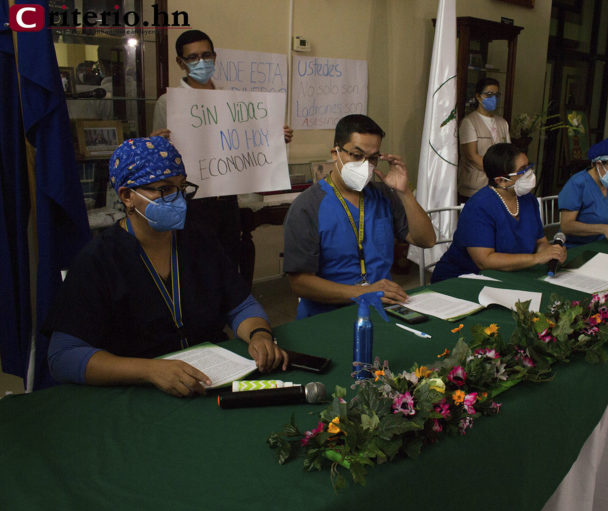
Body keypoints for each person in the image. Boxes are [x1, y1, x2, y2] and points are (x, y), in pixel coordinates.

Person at [44, 137, 288, 397]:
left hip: (209, 378)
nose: (179, 199)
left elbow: (241, 305)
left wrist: (259, 334)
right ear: (127, 196)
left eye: (182, 187)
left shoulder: (199, 241)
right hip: (138, 392)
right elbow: (63, 357)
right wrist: (149, 370)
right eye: (165, 190)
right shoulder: (99, 260)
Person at [150, 30, 294, 281]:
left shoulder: (232, 99)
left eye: (206, 55)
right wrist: (156, 144)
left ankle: (233, 315)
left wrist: (274, 138)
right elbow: (161, 159)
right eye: (193, 57)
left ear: (215, 57)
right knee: (195, 268)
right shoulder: (168, 103)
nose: (201, 62)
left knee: (228, 263)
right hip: (191, 202)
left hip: (227, 200)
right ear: (180, 62)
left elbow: (247, 144)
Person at [283, 114, 436, 319]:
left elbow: (426, 240)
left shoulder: (384, 195)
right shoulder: (308, 206)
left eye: (372, 158)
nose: (365, 165)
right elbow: (299, 282)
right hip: (329, 315)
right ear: (335, 153)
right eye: (356, 155)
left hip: (382, 308)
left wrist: (404, 192)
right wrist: (362, 292)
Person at [431, 143, 566, 283]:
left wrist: (550, 251)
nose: (530, 174)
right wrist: (536, 259)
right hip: (463, 280)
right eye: (522, 171)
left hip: (509, 276)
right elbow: (485, 261)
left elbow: (540, 241)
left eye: (528, 167)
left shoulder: (528, 200)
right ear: (501, 180)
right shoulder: (479, 206)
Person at [558, 137, 608, 247]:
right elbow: (567, 226)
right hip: (578, 247)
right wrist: (603, 228)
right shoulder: (577, 184)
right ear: (598, 164)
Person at [457, 78, 511, 202]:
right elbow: (472, 156)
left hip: (498, 188)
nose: (493, 98)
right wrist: (497, 172)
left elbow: (508, 153)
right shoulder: (469, 122)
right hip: (474, 188)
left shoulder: (502, 123)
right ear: (478, 96)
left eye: (496, 95)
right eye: (489, 94)